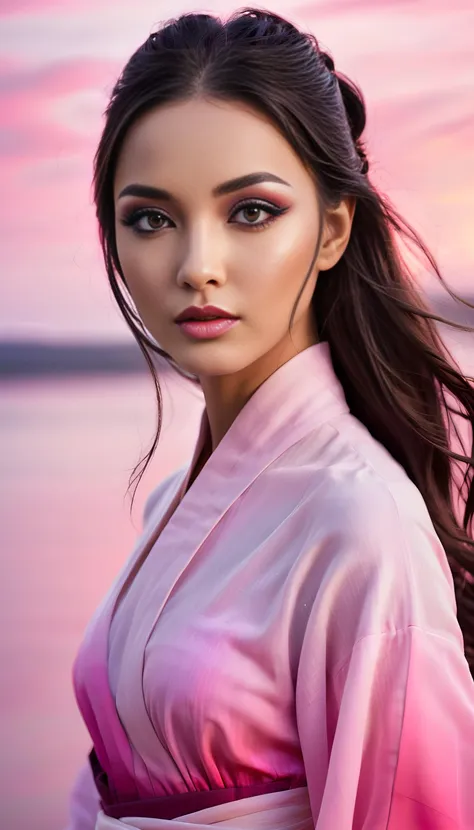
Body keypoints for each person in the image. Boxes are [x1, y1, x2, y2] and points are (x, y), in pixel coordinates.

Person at [65, 7, 474, 830]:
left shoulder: (362, 525)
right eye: (150, 218)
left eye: (250, 211)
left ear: (330, 230)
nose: (196, 266)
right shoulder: (172, 499)